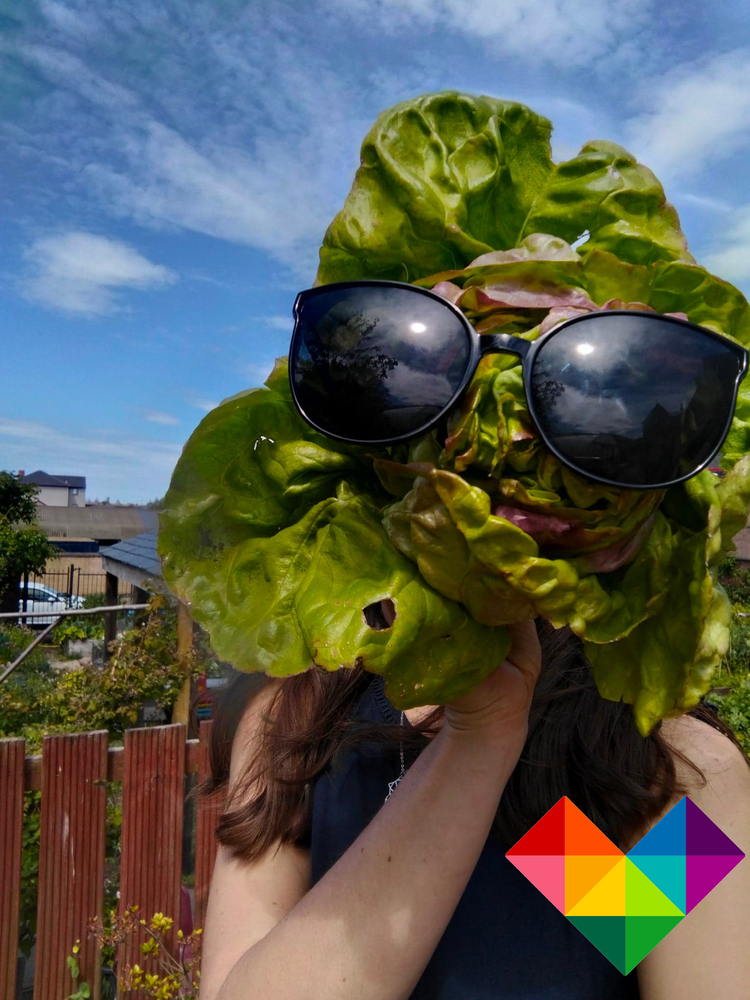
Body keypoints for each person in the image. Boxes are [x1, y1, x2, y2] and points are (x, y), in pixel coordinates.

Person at [198, 616, 750, 999]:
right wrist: (476, 741)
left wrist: (496, 732)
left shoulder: (665, 770)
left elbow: (615, 931)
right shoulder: (296, 723)